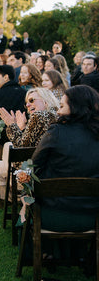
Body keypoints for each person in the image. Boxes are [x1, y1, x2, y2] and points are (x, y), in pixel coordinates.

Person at [32, 85, 99, 231]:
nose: (58, 110)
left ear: (75, 107)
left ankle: (46, 251)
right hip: (92, 213)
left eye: (61, 106)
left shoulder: (57, 131)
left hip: (55, 213)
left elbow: (34, 167)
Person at [0, 88, 59, 201]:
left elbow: (21, 148)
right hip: (49, 168)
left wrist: (11, 125)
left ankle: (12, 199)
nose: (28, 105)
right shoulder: (55, 115)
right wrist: (22, 127)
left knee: (0, 165)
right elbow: (30, 142)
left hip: (35, 172)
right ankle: (14, 198)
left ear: (45, 101)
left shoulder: (38, 116)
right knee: (3, 156)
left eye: (32, 100)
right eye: (27, 103)